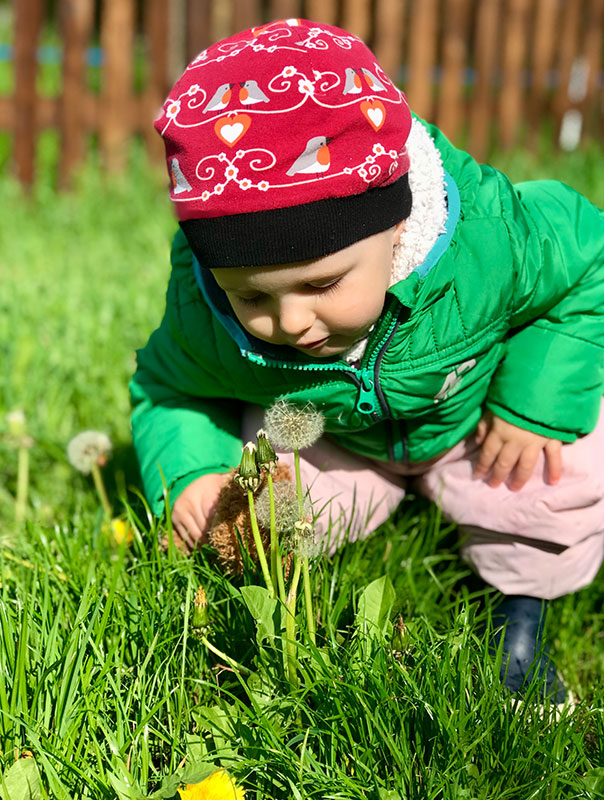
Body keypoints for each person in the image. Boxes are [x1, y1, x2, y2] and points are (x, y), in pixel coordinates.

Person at [130, 19, 604, 703]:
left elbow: (590, 259)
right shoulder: (204, 309)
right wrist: (191, 471)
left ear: (397, 225)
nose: (289, 321)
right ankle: (277, 630)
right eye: (251, 295)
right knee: (258, 518)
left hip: (476, 423)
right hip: (333, 439)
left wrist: (531, 403)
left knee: (563, 469)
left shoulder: (489, 244)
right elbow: (168, 385)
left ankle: (521, 619)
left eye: (322, 284)